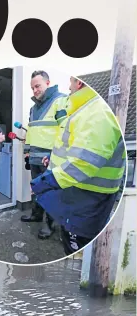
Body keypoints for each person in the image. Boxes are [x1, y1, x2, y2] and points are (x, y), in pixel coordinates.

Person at [31, 77, 126, 255]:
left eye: (71, 83)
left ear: (80, 84)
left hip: (87, 198)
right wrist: (51, 159)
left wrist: (42, 183)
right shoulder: (83, 111)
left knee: (77, 246)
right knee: (71, 239)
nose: (68, 87)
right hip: (79, 194)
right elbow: (74, 149)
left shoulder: (96, 113)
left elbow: (84, 162)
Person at [21, 71, 67, 239]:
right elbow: (31, 132)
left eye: (37, 86)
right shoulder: (33, 108)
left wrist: (56, 157)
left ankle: (49, 226)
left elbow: (65, 132)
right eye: (32, 87)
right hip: (34, 157)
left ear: (48, 83)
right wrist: (27, 152)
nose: (35, 90)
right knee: (36, 189)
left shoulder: (60, 100)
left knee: (50, 192)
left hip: (50, 159)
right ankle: (36, 215)